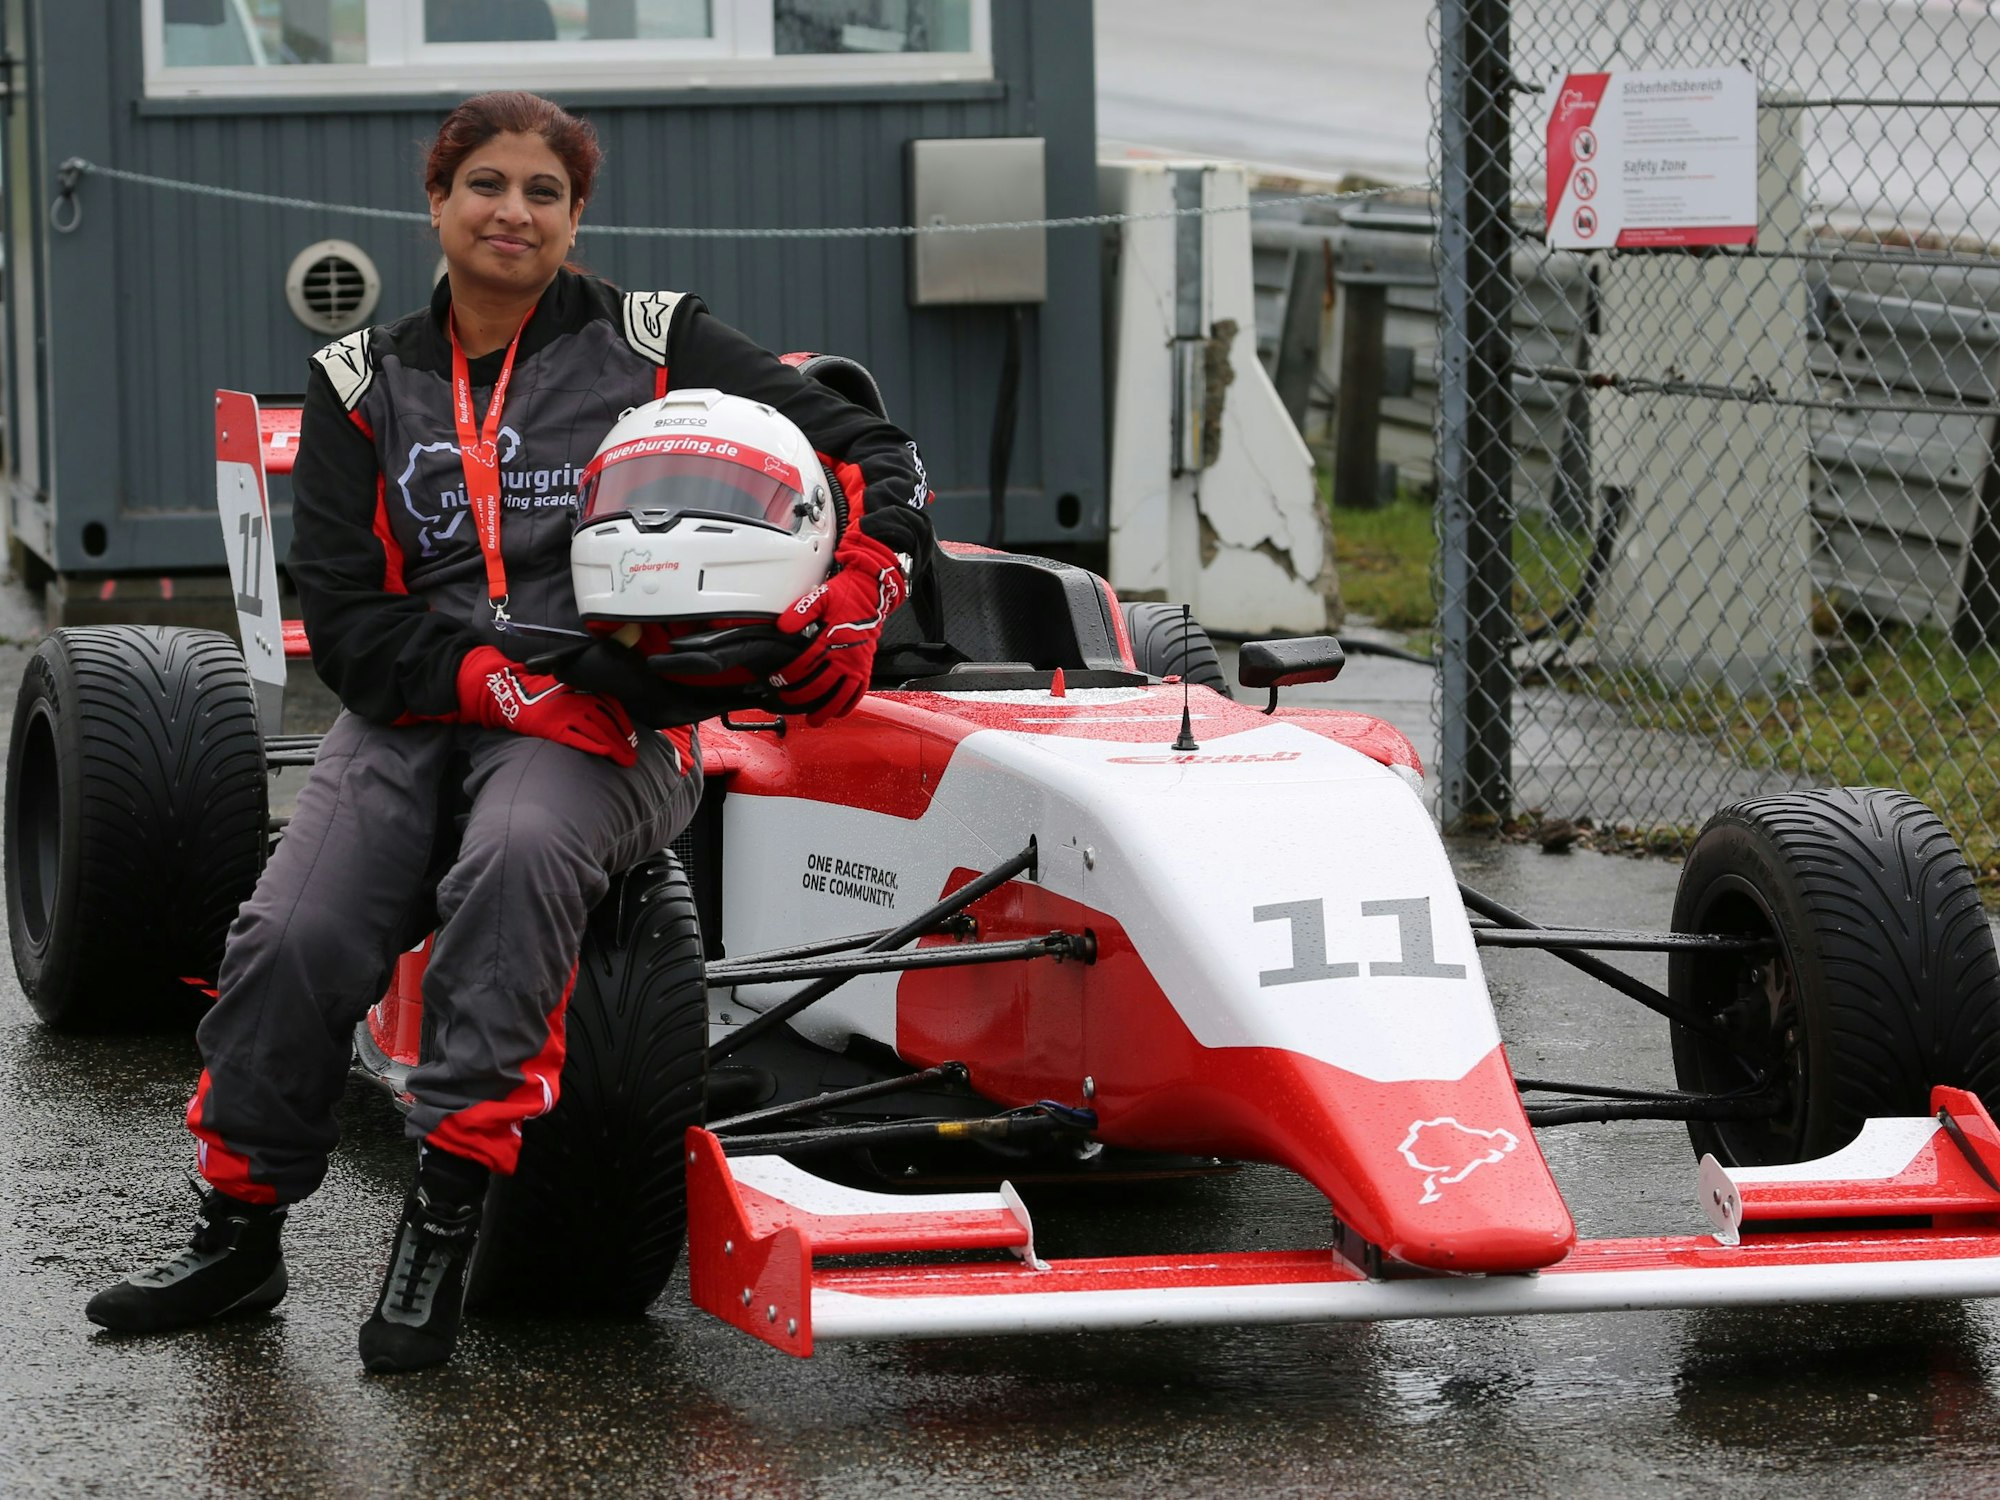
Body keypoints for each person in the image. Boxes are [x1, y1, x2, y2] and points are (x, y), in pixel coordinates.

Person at [84, 90, 932, 1373]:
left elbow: (874, 452)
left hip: (618, 723)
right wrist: (495, 681)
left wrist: (867, 574)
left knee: (517, 861)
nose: (512, 212)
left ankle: (441, 1215)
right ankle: (238, 1231)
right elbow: (356, 626)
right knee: (295, 925)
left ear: (576, 216)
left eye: (543, 192)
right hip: (417, 713)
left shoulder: (657, 338)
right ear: (434, 201)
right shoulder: (360, 379)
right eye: (485, 184)